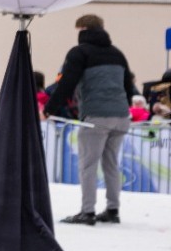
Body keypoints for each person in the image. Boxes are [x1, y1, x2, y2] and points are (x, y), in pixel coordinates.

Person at [46, 14, 136, 225]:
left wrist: (49, 109)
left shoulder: (79, 53)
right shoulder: (117, 54)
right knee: (111, 164)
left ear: (84, 29)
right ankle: (113, 210)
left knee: (88, 165)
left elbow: (67, 83)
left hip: (95, 116)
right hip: (121, 116)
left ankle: (87, 212)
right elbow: (128, 86)